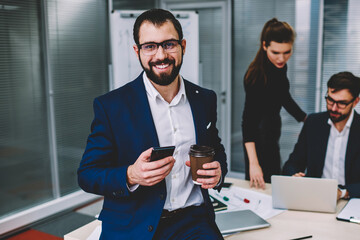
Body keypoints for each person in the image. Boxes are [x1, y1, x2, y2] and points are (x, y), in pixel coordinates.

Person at [77, 8, 227, 240]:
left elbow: (216, 150)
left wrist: (218, 173)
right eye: (150, 46)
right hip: (133, 223)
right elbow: (87, 174)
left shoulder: (205, 99)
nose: (160, 55)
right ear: (137, 51)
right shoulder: (111, 106)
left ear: (183, 46)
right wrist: (131, 175)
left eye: (169, 44)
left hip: (194, 221)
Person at [242, 18, 307, 189]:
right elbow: (248, 123)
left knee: (273, 184)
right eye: (276, 52)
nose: (281, 58)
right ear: (264, 46)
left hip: (272, 132)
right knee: (263, 187)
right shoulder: (256, 77)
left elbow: (283, 97)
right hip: (258, 140)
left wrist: (305, 119)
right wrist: (253, 164)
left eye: (287, 52)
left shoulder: (279, 67)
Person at [282, 71, 360, 200]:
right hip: (315, 198)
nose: (334, 108)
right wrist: (294, 176)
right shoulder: (313, 123)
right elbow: (292, 163)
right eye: (330, 100)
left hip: (351, 201)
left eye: (342, 103)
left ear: (355, 101)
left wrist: (343, 192)